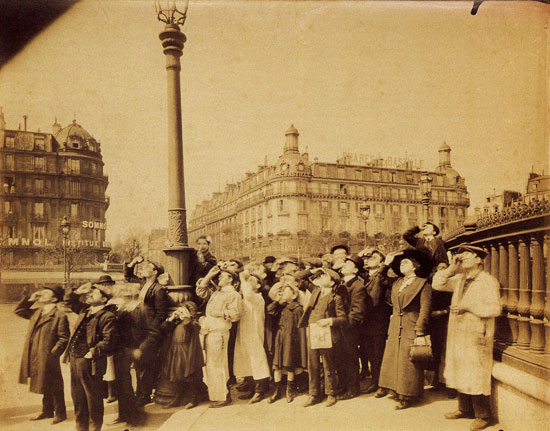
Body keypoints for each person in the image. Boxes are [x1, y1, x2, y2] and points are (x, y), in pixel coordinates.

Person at [432, 244, 501, 431]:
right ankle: (464, 409)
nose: (464, 257)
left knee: (476, 372)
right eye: (462, 254)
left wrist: (469, 308)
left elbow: (495, 309)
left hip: (477, 333)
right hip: (459, 332)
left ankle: (483, 415)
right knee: (459, 368)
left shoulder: (488, 281)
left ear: (480, 259)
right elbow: (437, 283)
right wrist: (452, 268)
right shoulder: (460, 279)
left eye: (469, 254)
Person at [377, 249, 433, 410]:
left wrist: (420, 329)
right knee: (394, 358)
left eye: (406, 262)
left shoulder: (423, 283)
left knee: (409, 361)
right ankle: (395, 389)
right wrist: (385, 265)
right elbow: (381, 280)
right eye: (401, 263)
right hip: (395, 325)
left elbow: (425, 308)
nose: (402, 264)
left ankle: (408, 394)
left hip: (412, 325)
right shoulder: (397, 282)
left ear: (415, 266)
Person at [64, 283, 117, 431]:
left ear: (104, 299)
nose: (90, 294)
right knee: (78, 396)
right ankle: (81, 427)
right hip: (75, 359)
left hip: (90, 361)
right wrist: (78, 291)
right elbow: (69, 301)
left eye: (95, 292)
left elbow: (108, 340)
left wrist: (92, 353)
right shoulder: (85, 310)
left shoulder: (108, 316)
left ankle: (94, 428)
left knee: (92, 397)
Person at [15, 285, 69, 425]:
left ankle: (61, 413)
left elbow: (64, 338)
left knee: (55, 383)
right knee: (44, 381)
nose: (41, 294)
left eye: (46, 293)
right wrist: (29, 299)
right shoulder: (38, 312)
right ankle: (47, 411)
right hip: (35, 353)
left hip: (48, 355)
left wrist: (53, 353)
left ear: (54, 298)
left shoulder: (59, 315)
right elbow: (19, 310)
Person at [298, 267, 348, 408]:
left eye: (325, 276)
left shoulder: (336, 298)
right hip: (313, 331)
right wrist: (313, 271)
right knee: (312, 364)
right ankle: (314, 394)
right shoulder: (316, 291)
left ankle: (331, 393)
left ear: (332, 283)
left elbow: (343, 318)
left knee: (328, 364)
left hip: (327, 334)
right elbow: (300, 278)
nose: (320, 277)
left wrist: (330, 321)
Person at [124, 256, 169, 406]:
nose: (143, 268)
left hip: (148, 333)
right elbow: (128, 276)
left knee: (145, 364)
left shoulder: (158, 289)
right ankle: (140, 393)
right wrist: (133, 262)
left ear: (155, 271)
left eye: (147, 266)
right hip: (137, 329)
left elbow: (161, 314)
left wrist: (151, 332)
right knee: (138, 364)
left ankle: (144, 395)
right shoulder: (143, 283)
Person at [197, 266, 242, 408]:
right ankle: (219, 394)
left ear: (231, 279)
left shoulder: (233, 294)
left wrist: (221, 313)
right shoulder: (218, 292)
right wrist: (209, 274)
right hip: (211, 331)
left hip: (219, 332)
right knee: (213, 364)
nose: (219, 278)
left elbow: (236, 315)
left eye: (222, 276)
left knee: (217, 365)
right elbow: (201, 291)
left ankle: (221, 396)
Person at [233, 270, 271, 403]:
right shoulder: (246, 298)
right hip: (244, 331)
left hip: (254, 332)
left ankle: (260, 390)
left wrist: (243, 279)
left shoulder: (257, 297)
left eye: (251, 281)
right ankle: (251, 387)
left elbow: (248, 294)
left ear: (258, 286)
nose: (248, 283)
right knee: (245, 358)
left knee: (256, 358)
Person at [266, 280, 307, 404]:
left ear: (294, 295)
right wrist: (277, 301)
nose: (282, 293)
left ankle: (290, 389)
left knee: (290, 365)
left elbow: (300, 329)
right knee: (277, 365)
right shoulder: (280, 306)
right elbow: (270, 310)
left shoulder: (297, 309)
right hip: (280, 338)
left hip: (291, 340)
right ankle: (277, 391)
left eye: (285, 291)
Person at [160, 301, 204, 409]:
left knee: (189, 375)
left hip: (186, 352)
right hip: (176, 351)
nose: (179, 313)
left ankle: (194, 399)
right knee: (176, 375)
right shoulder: (177, 323)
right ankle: (178, 398)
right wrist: (171, 319)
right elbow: (163, 328)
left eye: (182, 311)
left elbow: (193, 328)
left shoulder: (192, 323)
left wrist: (186, 317)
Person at [359, 248, 392, 393]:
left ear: (381, 262)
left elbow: (377, 294)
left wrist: (385, 267)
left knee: (379, 354)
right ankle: (375, 381)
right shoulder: (365, 275)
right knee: (370, 353)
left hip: (378, 321)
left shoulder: (384, 276)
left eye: (373, 258)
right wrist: (359, 256)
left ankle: (381, 384)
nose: (369, 259)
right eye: (368, 258)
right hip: (366, 321)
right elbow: (355, 265)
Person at [337, 254, 367, 399]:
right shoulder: (341, 283)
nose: (344, 265)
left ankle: (353, 389)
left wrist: (346, 325)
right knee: (341, 358)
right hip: (339, 327)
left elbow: (357, 311)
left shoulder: (358, 286)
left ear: (355, 270)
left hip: (349, 329)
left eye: (349, 264)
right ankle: (343, 386)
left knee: (350, 359)